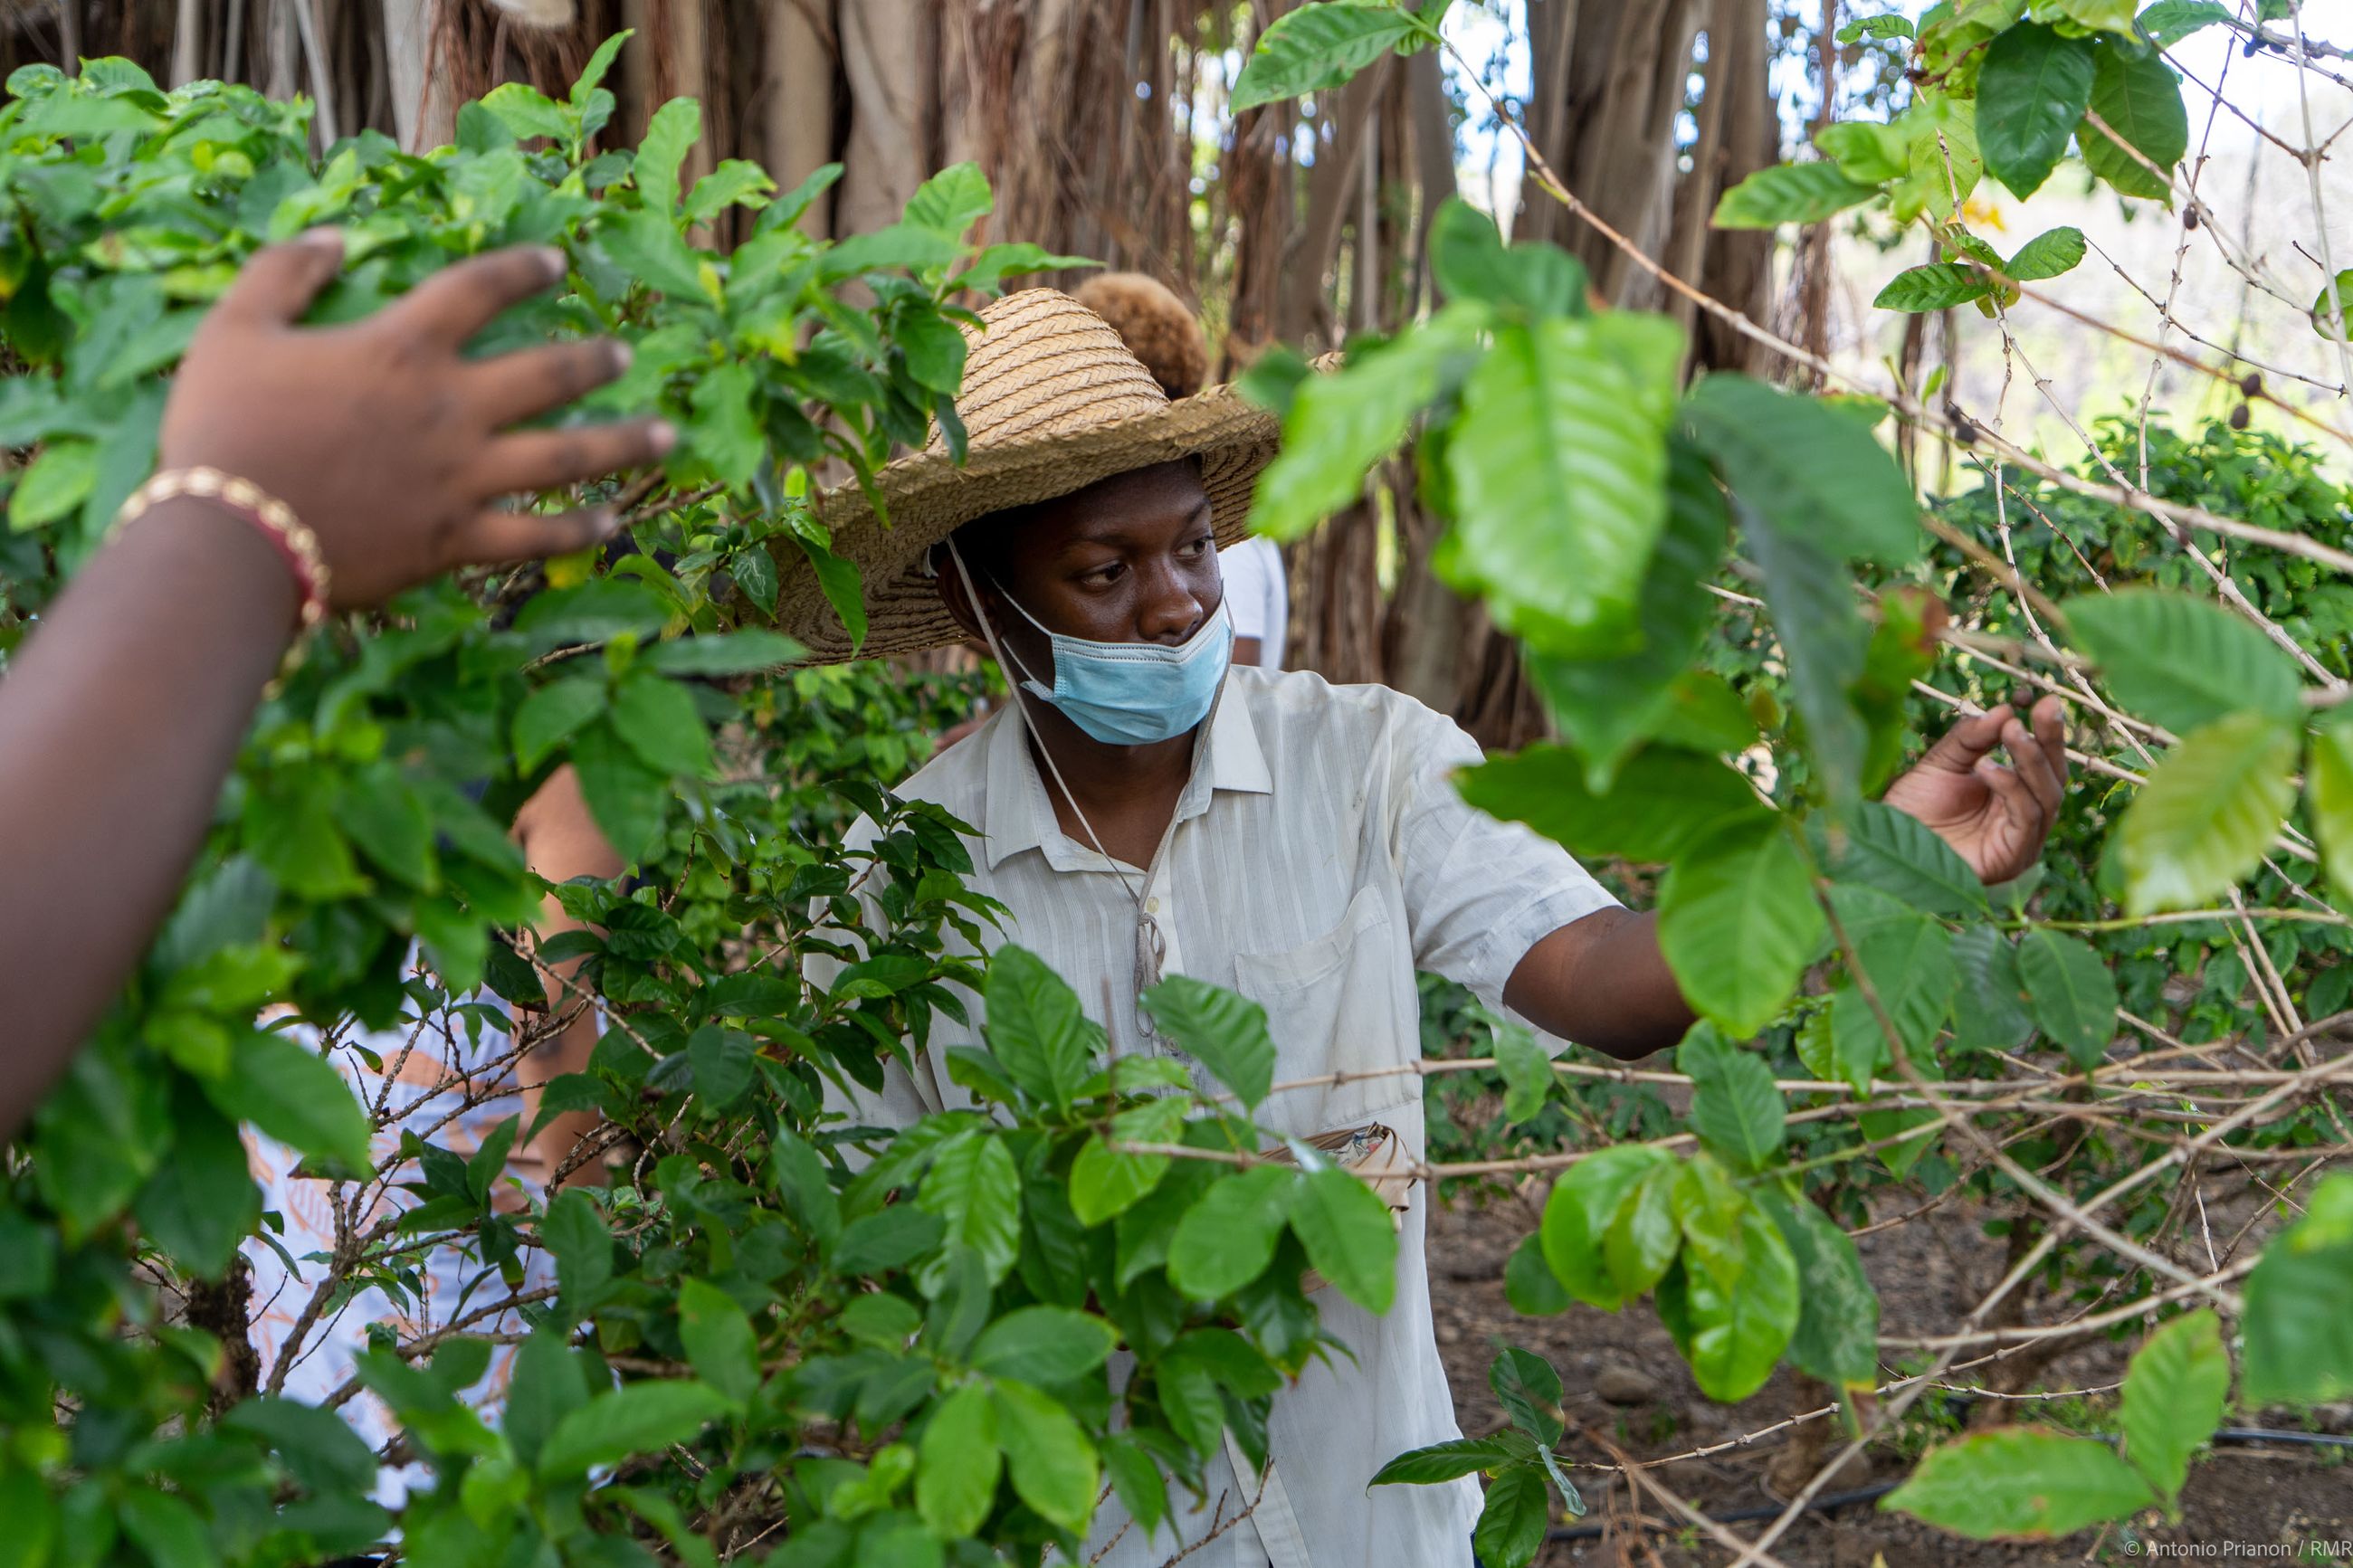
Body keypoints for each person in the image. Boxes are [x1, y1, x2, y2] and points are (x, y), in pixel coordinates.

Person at [779, 287, 2068, 1568]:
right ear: (973, 600)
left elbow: (1603, 978)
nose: (1174, 606)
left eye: (1189, 551)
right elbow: (865, 1270)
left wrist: (1856, 867)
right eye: (1105, 573)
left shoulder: (1369, 764)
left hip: (1373, 1526)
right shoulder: (899, 884)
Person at [0, 232, 674, 1137]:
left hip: (311, 1145)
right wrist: (239, 517)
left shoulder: (413, 734)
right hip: (434, 1178)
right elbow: (551, 1027)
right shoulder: (577, 768)